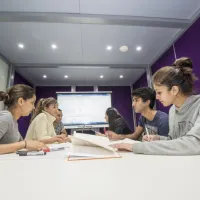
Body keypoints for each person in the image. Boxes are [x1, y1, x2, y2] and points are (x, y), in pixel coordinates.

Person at [111, 57, 200, 155]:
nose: (157, 97)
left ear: (174, 90)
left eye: (159, 92)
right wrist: (158, 138)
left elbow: (195, 143)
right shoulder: (172, 110)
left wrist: (137, 147)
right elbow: (173, 140)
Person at [0, 84, 45, 154]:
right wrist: (24, 144)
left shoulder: (14, 121)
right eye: (32, 103)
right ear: (21, 101)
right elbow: (23, 144)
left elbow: (22, 143)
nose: (33, 107)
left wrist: (34, 144)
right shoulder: (6, 118)